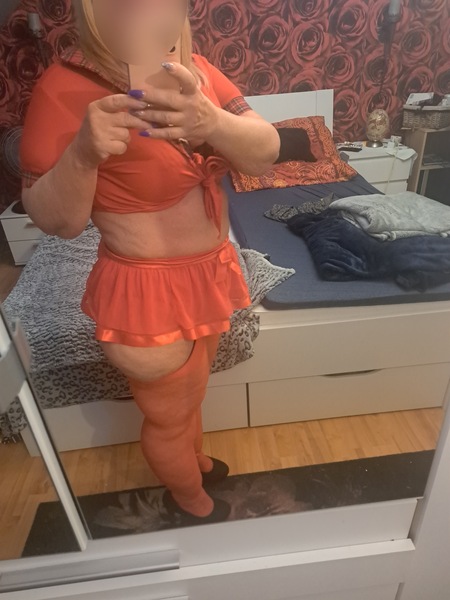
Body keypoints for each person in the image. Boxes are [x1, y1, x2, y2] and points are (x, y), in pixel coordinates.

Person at [20, 1, 280, 525]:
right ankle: (190, 500)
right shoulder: (61, 88)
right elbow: (56, 222)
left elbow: (266, 151)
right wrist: (83, 154)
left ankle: (194, 463)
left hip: (209, 273)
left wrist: (211, 121)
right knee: (169, 419)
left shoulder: (195, 69)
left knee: (191, 397)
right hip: (146, 295)